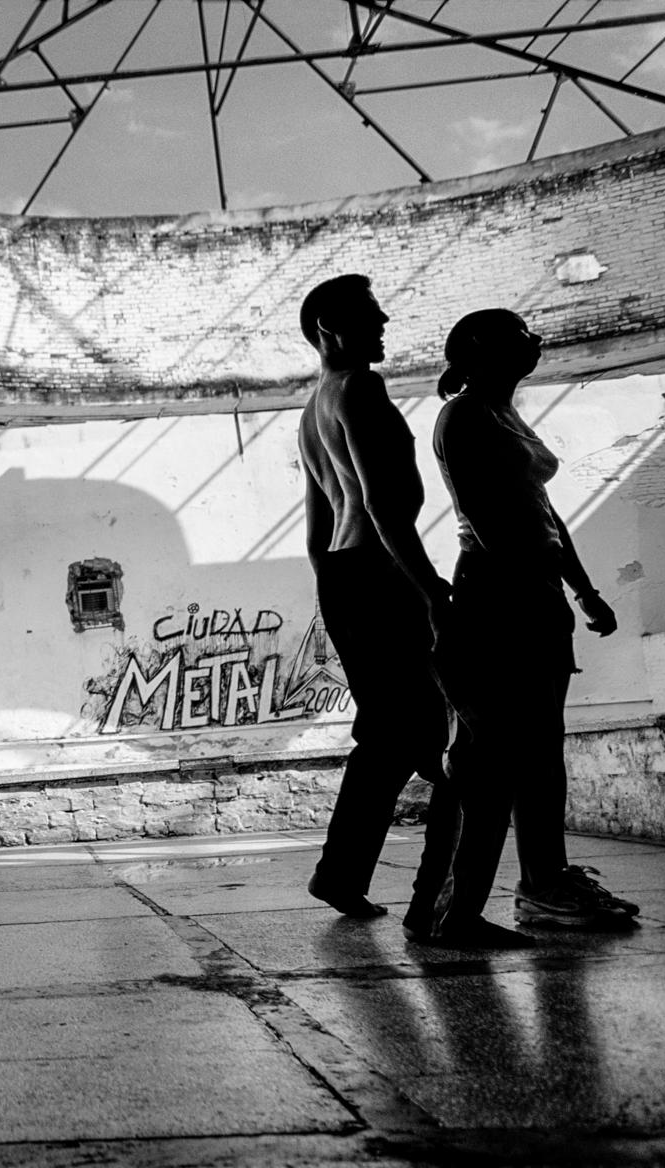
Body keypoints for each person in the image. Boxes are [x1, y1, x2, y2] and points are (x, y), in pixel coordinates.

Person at [431, 309, 638, 938]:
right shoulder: (463, 415)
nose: (535, 337)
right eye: (519, 331)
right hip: (502, 597)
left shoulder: (504, 413)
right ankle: (538, 885)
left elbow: (545, 513)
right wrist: (531, 592)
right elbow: (490, 522)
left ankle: (547, 878)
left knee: (544, 749)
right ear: (479, 350)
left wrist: (582, 591)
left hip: (535, 595)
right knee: (528, 752)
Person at [295, 275, 471, 941]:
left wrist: (343, 592)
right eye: (370, 315)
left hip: (342, 576)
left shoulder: (310, 410)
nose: (385, 320)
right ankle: (443, 900)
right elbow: (380, 506)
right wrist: (427, 588)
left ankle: (341, 872)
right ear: (328, 331)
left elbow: (317, 532)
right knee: (452, 737)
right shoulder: (360, 389)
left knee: (387, 733)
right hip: (380, 568)